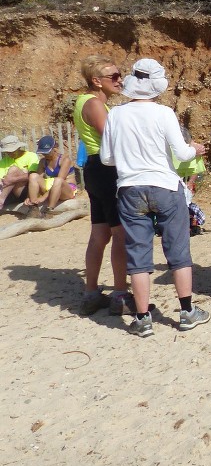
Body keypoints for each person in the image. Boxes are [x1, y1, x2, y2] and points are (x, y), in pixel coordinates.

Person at [100, 59, 211, 336]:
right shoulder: (164, 113)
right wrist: (194, 149)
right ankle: (187, 312)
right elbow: (182, 153)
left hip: (130, 188)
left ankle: (142, 318)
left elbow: (107, 158)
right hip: (164, 185)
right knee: (178, 251)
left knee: (138, 255)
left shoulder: (116, 114)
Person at [73, 55, 131, 316]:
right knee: (120, 233)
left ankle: (91, 293)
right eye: (114, 77)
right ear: (96, 81)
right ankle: (120, 294)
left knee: (100, 234)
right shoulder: (95, 104)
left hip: (95, 170)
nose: (119, 81)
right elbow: (111, 137)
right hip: (107, 170)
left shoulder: (85, 101)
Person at [24, 135, 77, 217]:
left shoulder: (65, 160)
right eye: (43, 152)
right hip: (51, 187)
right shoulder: (43, 161)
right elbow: (38, 179)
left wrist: (43, 197)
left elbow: (60, 180)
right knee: (33, 176)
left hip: (66, 189)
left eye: (47, 152)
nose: (45, 155)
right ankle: (33, 207)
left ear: (54, 149)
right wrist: (29, 197)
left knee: (58, 180)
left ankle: (50, 210)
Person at [0, 135, 39, 208]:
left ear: (18, 148)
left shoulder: (31, 156)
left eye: (12, 151)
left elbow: (35, 176)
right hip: (9, 192)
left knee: (13, 169)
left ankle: (1, 201)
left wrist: (12, 179)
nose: (10, 154)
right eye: (8, 152)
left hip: (26, 191)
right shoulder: (3, 161)